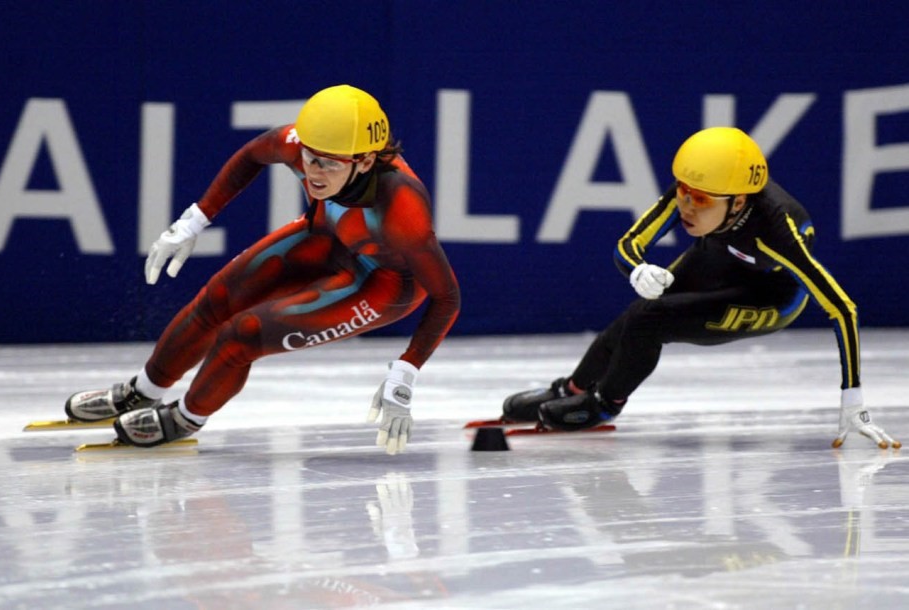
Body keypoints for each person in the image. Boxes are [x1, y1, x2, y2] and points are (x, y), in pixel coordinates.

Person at [65, 84, 461, 455]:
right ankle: (144, 390)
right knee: (218, 298)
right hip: (328, 236)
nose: (313, 172)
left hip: (384, 284)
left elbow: (447, 298)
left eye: (327, 163)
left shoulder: (402, 211)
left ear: (366, 161)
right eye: (308, 157)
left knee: (244, 334)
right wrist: (194, 220)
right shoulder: (301, 145)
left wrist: (407, 369)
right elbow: (251, 155)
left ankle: (185, 418)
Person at [503, 127, 900, 450]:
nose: (687, 207)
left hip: (772, 298)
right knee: (631, 319)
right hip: (721, 256)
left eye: (701, 200)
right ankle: (571, 387)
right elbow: (629, 245)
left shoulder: (776, 233)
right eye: (682, 192)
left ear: (739, 202)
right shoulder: (700, 191)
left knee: (649, 320)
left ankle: (603, 405)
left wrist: (853, 398)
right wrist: (636, 269)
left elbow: (841, 307)